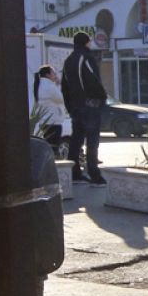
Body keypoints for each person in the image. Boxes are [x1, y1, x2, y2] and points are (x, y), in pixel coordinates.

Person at [62, 32, 107, 185]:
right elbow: (94, 80)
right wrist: (102, 98)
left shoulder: (68, 61)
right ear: (86, 43)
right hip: (90, 106)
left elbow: (64, 87)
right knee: (92, 141)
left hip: (75, 107)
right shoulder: (86, 58)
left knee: (76, 140)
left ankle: (75, 173)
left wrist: (70, 106)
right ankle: (95, 175)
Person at [31, 65, 69, 152]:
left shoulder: (40, 84)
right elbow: (61, 99)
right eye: (53, 73)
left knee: (48, 145)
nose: (55, 75)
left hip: (45, 121)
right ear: (47, 75)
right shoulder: (49, 86)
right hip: (53, 121)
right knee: (53, 147)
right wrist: (58, 85)